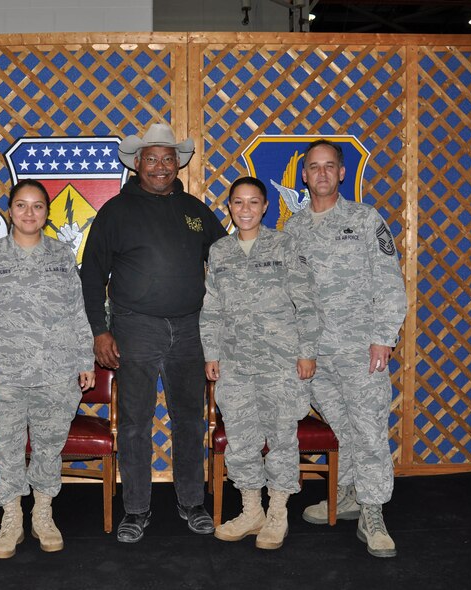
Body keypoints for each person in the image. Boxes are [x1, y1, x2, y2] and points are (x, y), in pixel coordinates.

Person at [80, 123, 227, 543]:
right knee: (134, 423)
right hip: (134, 328)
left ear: (177, 163)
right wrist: (99, 331)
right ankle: (136, 509)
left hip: (189, 329)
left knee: (188, 420)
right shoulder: (115, 211)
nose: (161, 166)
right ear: (137, 163)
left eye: (168, 158)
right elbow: (91, 276)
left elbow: (226, 262)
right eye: (152, 158)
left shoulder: (195, 210)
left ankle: (191, 502)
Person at [283, 139, 407, 558]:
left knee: (369, 430)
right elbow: (290, 295)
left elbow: (390, 282)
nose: (321, 173)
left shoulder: (366, 219)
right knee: (344, 427)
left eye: (329, 166)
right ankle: (350, 496)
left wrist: (383, 337)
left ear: (340, 173)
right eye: (313, 167)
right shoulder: (294, 229)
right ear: (304, 175)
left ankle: (374, 514)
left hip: (360, 349)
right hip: (315, 355)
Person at [0, 179, 95, 559]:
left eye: (37, 206)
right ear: (10, 210)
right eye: (22, 205)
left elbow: (76, 313)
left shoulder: (61, 256)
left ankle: (43, 514)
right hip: (4, 375)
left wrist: (85, 359)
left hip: (55, 372)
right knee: (5, 448)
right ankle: (12, 518)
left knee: (49, 449)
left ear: (47, 213)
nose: (29, 213)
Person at [200, 176, 320, 549]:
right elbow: (212, 309)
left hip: (281, 363)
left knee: (282, 439)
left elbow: (307, 302)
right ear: (230, 207)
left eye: (254, 202)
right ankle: (251, 510)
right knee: (241, 441)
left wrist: (307, 352)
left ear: (266, 207)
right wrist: (212, 354)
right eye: (239, 202)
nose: (246, 209)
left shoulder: (284, 245)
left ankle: (277, 513)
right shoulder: (219, 251)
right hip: (235, 365)